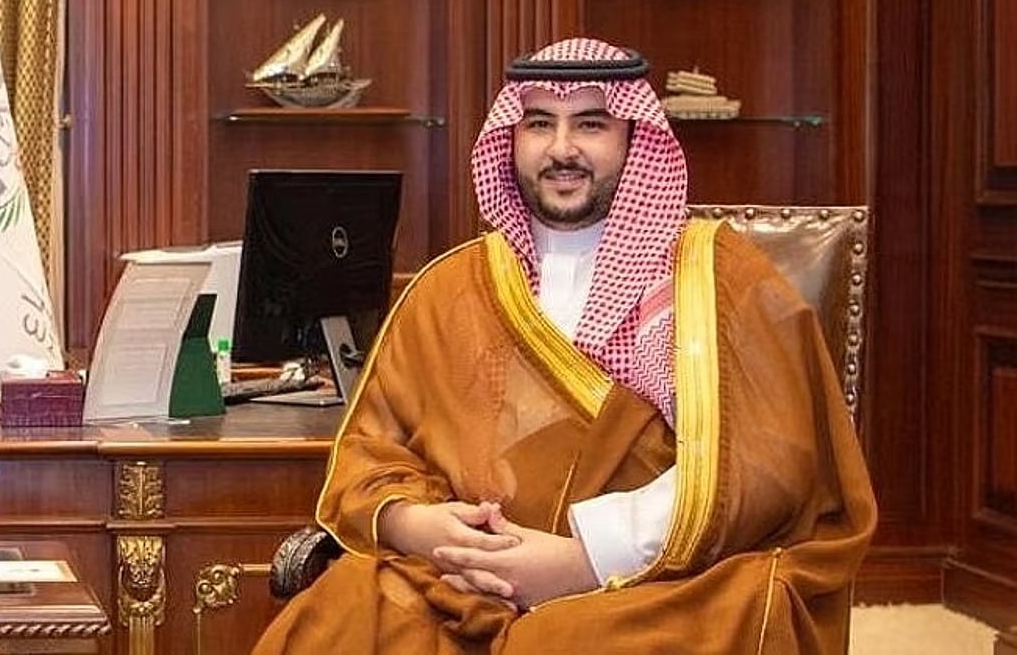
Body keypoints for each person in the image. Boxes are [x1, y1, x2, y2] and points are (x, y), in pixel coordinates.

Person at [253, 38, 877, 654]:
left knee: (560, 641)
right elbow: (375, 448)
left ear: (633, 137)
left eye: (590, 124)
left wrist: (585, 557)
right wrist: (417, 525)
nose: (561, 148)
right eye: (539, 123)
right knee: (342, 615)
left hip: (658, 581)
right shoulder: (449, 288)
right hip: (458, 576)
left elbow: (765, 465)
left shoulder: (720, 278)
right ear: (511, 137)